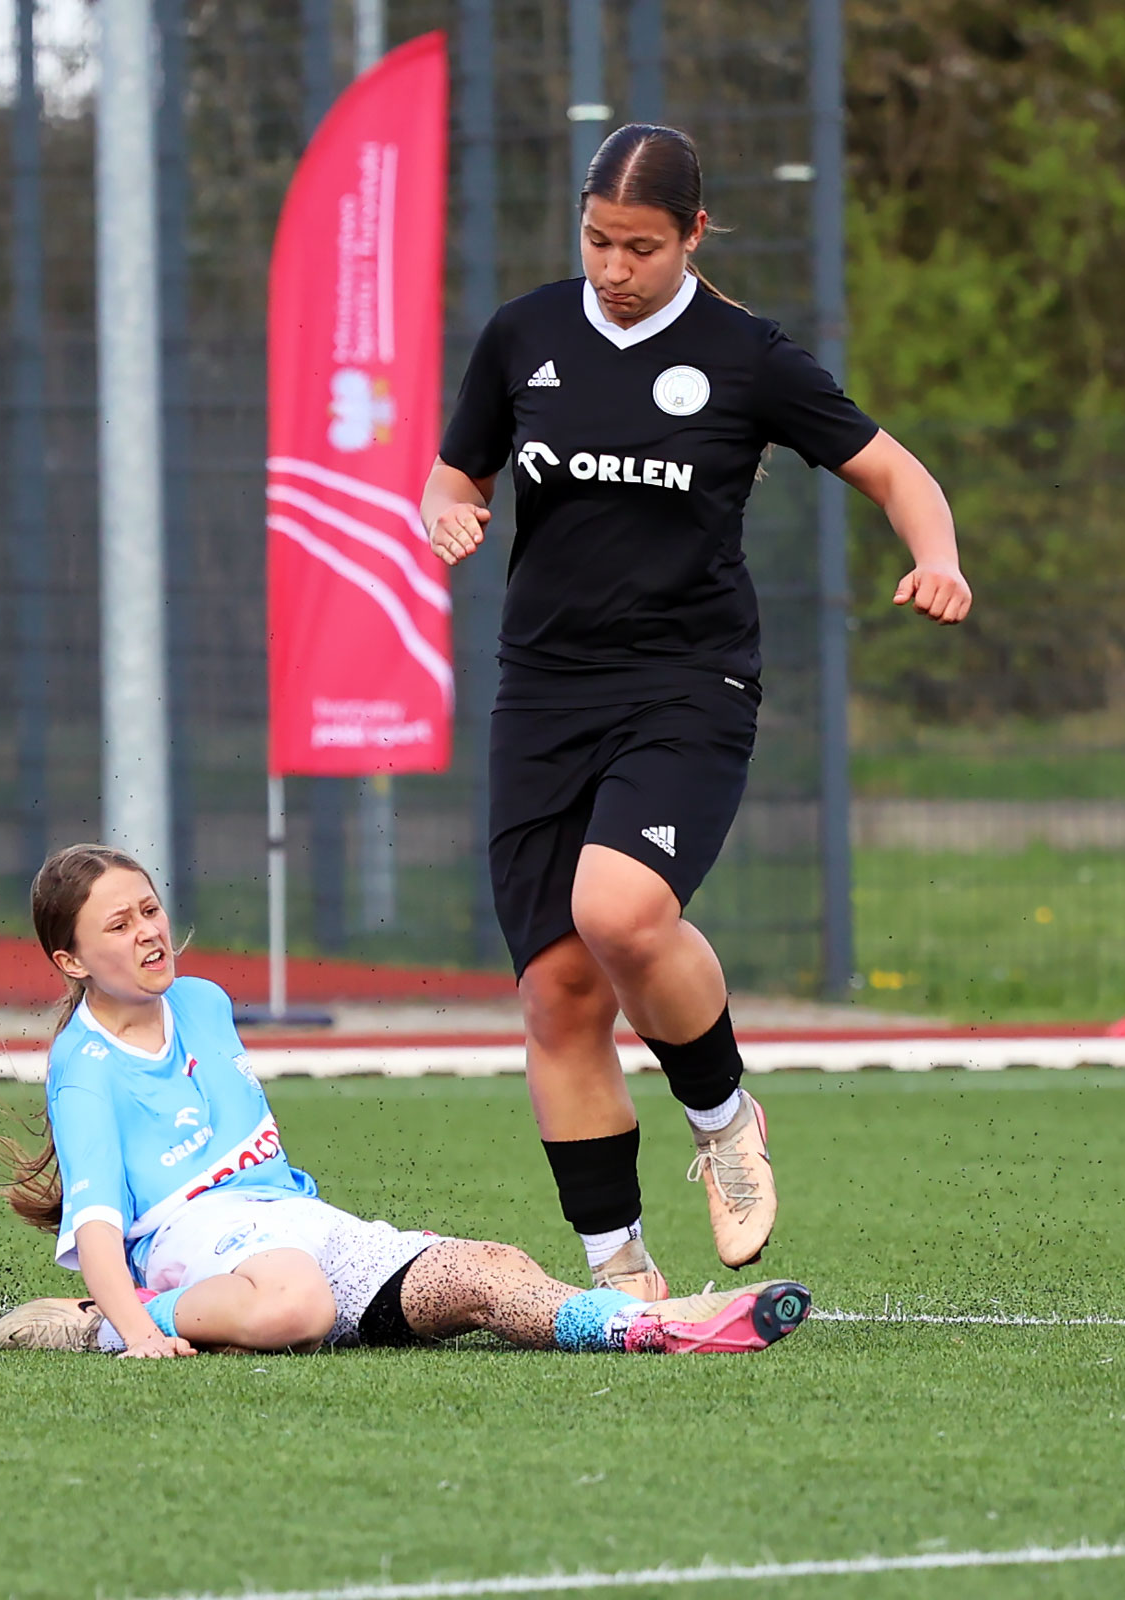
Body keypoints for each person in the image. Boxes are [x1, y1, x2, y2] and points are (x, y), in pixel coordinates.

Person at [418, 125, 971, 1299]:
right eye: (597, 241)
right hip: (543, 690)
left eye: (642, 248)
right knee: (558, 990)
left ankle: (724, 1122)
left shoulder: (746, 356)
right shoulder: (523, 334)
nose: (615, 268)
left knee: (619, 909)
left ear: (695, 236)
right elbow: (457, 469)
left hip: (688, 682)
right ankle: (618, 1270)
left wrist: (938, 558)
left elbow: (895, 471)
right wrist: (448, 510)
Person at [0, 844, 812, 1358]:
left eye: (150, 909)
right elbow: (98, 1227)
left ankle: (646, 1326)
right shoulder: (83, 1067)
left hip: (294, 1222)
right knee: (299, 1302)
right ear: (70, 961)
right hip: (189, 1245)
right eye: (118, 926)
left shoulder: (203, 1002)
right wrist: (139, 1330)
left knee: (489, 1272)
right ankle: (102, 1323)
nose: (149, 932)